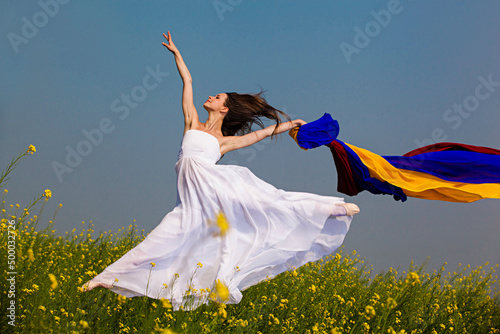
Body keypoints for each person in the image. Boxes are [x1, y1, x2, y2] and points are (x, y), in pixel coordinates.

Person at [81, 31, 360, 310]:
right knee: (157, 241)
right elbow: (187, 81)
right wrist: (177, 54)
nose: (211, 96)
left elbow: (259, 135)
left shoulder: (223, 142)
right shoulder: (192, 122)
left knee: (266, 201)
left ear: (225, 108)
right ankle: (105, 279)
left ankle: (330, 209)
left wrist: (290, 125)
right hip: (190, 204)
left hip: (216, 187)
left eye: (217, 97)